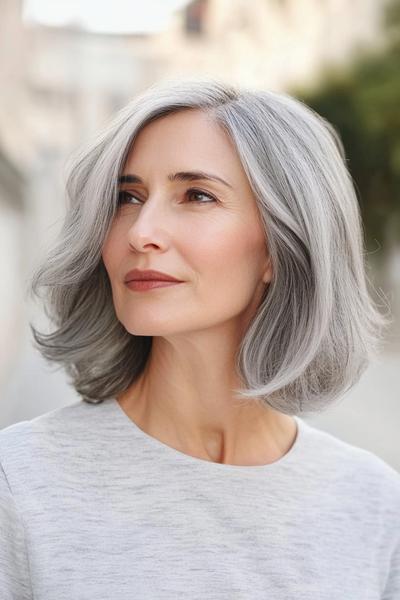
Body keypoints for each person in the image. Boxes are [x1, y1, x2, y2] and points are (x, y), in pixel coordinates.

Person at [0, 77, 398, 599]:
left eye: (197, 195)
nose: (141, 231)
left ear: (281, 246)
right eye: (128, 196)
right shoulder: (20, 483)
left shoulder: (374, 506)